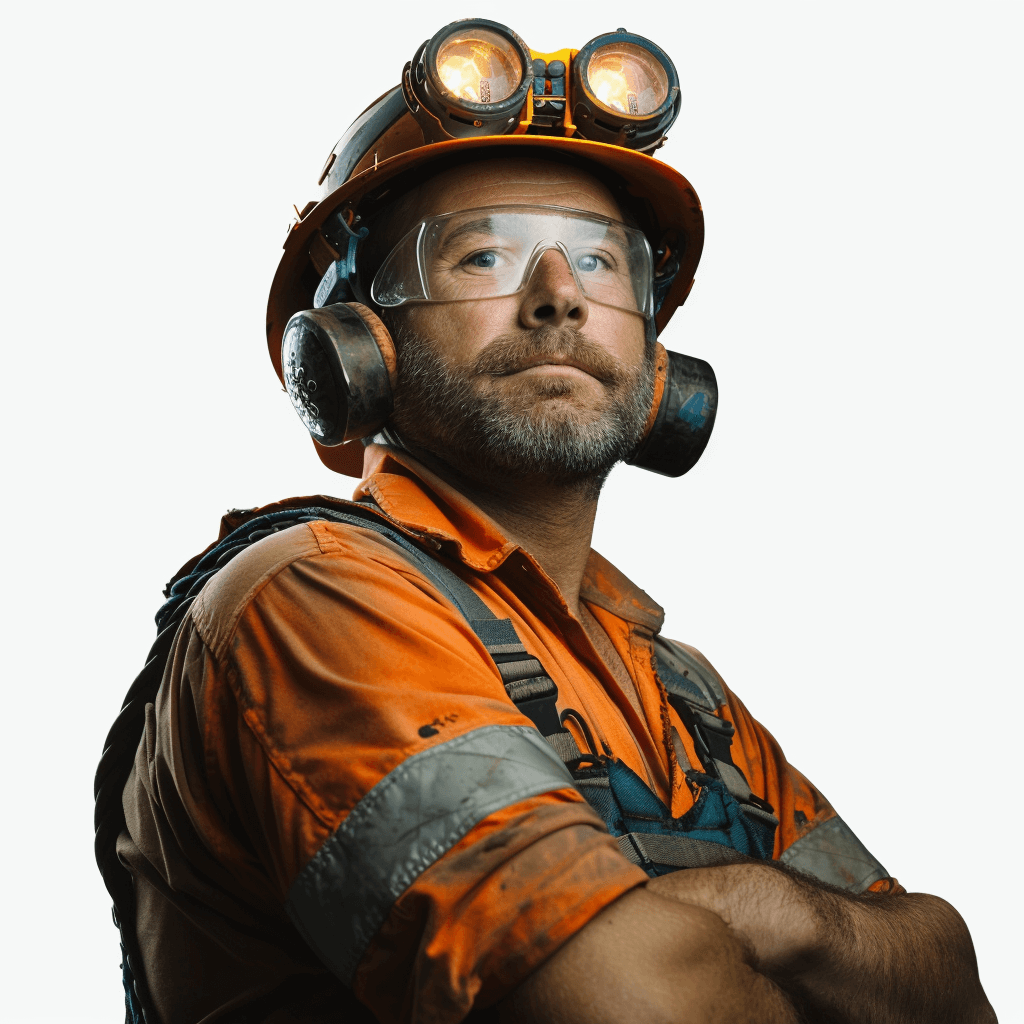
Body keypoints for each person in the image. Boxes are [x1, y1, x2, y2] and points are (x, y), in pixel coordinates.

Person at [95, 19, 995, 1024]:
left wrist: (770, 907)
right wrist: (793, 955)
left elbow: (948, 986)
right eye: (485, 256)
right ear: (356, 343)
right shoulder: (308, 598)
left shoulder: (676, 689)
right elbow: (625, 1007)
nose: (560, 298)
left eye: (603, 264)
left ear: (654, 359)